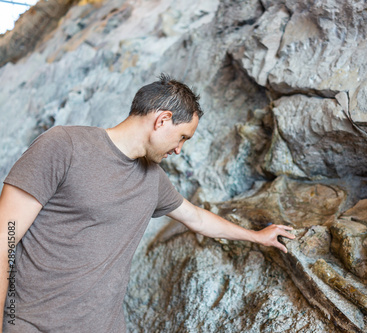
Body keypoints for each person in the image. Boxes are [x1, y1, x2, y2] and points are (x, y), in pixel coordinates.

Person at [0, 74, 295, 332]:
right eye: (182, 137)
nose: (179, 149)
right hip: (32, 325)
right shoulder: (64, 145)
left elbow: (197, 219)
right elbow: (4, 240)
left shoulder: (153, 180)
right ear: (162, 119)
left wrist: (256, 236)